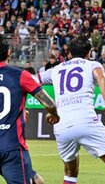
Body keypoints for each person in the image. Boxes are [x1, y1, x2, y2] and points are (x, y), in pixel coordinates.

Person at [38, 36, 105, 184]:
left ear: (69, 53)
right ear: (89, 53)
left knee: (70, 173)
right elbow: (102, 78)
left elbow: (31, 81)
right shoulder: (92, 65)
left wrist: (50, 107)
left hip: (61, 126)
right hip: (86, 121)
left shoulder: (55, 70)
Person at [0, 35, 60, 184]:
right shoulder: (20, 75)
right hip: (11, 147)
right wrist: (53, 115)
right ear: (9, 53)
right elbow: (50, 104)